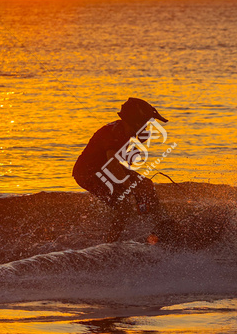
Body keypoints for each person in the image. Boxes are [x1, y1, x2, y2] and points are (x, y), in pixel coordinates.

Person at [73, 98, 178, 243]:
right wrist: (130, 187)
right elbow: (112, 163)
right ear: (136, 121)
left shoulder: (128, 131)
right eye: (146, 123)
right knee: (125, 205)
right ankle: (110, 244)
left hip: (106, 167)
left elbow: (122, 160)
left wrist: (138, 141)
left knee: (147, 185)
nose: (148, 126)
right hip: (88, 173)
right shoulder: (115, 132)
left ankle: (164, 229)